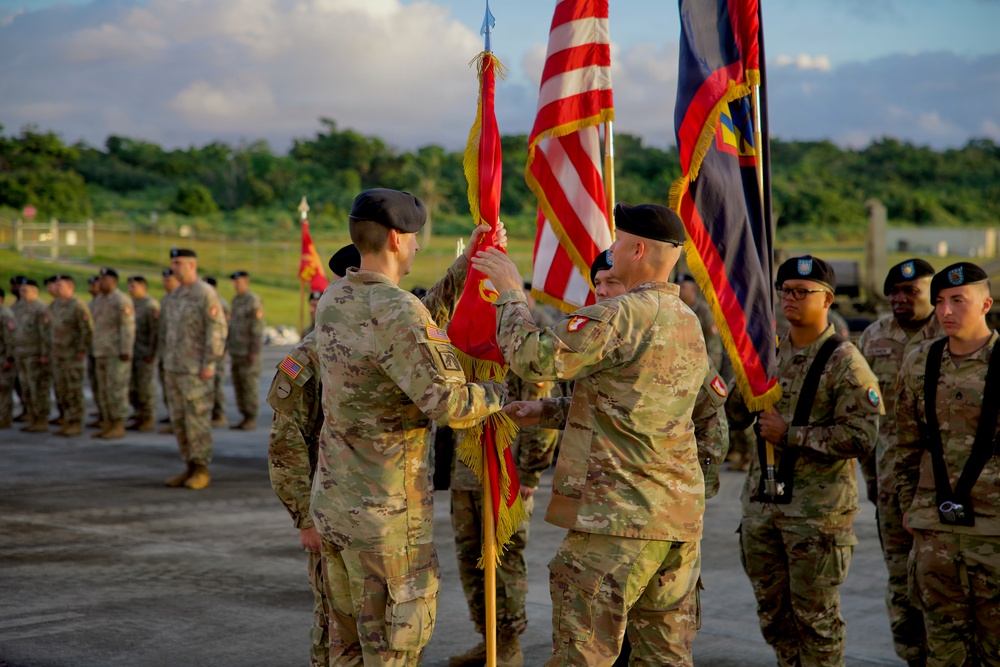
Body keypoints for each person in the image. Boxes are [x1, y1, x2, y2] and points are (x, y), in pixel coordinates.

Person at [474, 202, 710, 666]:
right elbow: (637, 409)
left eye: (618, 241)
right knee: (664, 659)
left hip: (616, 520)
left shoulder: (622, 314)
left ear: (637, 249)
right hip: (675, 518)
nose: (612, 249)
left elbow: (534, 357)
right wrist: (546, 409)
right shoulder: (685, 318)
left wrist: (509, 294)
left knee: (583, 655)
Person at [310, 188, 507, 665]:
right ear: (397, 239)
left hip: (337, 509)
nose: (419, 246)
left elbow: (412, 328)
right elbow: (448, 402)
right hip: (388, 523)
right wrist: (499, 393)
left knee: (345, 648)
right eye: (416, 238)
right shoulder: (397, 311)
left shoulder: (336, 297)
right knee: (392, 652)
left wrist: (464, 269)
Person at [726, 255, 881, 667]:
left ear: (827, 299)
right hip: (763, 510)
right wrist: (747, 374)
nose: (790, 300)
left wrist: (791, 435)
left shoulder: (845, 362)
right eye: (785, 292)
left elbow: (863, 437)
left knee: (817, 622)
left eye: (802, 292)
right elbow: (734, 417)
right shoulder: (770, 354)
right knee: (774, 617)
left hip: (817, 517)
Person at [894, 261, 999, 667]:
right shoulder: (920, 361)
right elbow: (903, 443)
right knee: (942, 648)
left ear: (986, 304)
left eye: (959, 300)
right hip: (933, 530)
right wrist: (909, 506)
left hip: (993, 532)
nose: (946, 311)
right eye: (939, 301)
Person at [856, 258, 940, 666]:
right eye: (894, 291)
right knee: (899, 578)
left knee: (946, 579)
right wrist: (870, 477)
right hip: (890, 483)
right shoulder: (872, 337)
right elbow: (863, 415)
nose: (900, 298)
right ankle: (913, 656)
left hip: (945, 485)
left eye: (911, 291)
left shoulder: (951, 334)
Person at [448, 370, 560, 667]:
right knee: (470, 559)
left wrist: (529, 472)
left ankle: (508, 644)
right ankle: (489, 640)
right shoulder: (463, 346)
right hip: (465, 473)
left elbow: (542, 412)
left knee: (505, 560)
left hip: (507, 476)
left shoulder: (521, 351)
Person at [266, 330, 329, 667]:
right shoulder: (311, 352)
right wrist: (305, 517)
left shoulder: (386, 335)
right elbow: (285, 445)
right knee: (333, 621)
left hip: (381, 516)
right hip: (329, 515)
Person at [160, 249, 228, 490]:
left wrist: (209, 363)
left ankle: (201, 468)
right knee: (179, 420)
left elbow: (217, 330)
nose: (173, 267)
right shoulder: (174, 295)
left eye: (178, 263)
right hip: (174, 368)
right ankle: (188, 465)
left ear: (191, 265)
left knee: (196, 420)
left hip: (195, 370)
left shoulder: (205, 294)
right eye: (172, 263)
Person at [90, 267, 136, 440]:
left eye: (105, 279)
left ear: (114, 282)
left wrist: (126, 350)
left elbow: (127, 328)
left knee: (116, 390)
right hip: (101, 351)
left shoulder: (121, 300)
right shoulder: (98, 300)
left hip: (116, 353)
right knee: (103, 390)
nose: (101, 282)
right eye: (100, 279)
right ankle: (107, 422)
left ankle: (118, 424)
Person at [49, 275, 94, 437]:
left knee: (73, 390)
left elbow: (86, 330)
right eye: (56, 285)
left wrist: (81, 350)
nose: (56, 288)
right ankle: (66, 420)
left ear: (70, 287)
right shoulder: (54, 305)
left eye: (60, 285)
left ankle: (75, 422)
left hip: (72, 355)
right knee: (61, 390)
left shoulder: (78, 306)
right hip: (58, 355)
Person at [13, 278, 52, 432]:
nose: (22, 293)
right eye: (21, 290)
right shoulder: (18, 307)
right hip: (21, 353)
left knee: (38, 389)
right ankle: (31, 415)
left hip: (35, 354)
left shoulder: (41, 309)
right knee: (26, 388)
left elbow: (45, 334)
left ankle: (41, 419)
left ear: (35, 291)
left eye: (26, 290)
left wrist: (44, 354)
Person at [227, 270, 264, 431]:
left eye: (239, 281)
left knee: (249, 385)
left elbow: (257, 327)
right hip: (236, 350)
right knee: (239, 385)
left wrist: (254, 350)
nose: (236, 284)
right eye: (234, 281)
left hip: (248, 351)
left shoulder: (253, 300)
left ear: (246, 281)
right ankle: (244, 415)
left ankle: (251, 416)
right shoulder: (236, 300)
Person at [127, 275, 160, 432]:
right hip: (132, 352)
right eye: (130, 286)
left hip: (145, 353)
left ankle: (148, 418)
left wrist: (152, 352)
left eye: (134, 286)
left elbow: (155, 332)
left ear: (143, 287)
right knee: (133, 388)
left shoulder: (150, 306)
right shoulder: (131, 304)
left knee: (145, 388)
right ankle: (139, 414)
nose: (131, 289)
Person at [204, 276, 230, 427]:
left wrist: (223, 348)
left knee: (218, 381)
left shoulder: (220, 303)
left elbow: (225, 328)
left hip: (218, 350)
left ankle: (219, 413)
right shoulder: (204, 301)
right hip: (208, 351)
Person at [158, 268, 180, 430]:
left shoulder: (185, 299)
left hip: (182, 354)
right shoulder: (166, 300)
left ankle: (179, 422)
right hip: (167, 351)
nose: (165, 283)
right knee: (169, 388)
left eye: (169, 280)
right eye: (164, 280)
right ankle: (173, 417)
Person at [0, 287, 16, 429]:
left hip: (4, 359)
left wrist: (9, 358)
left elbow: (10, 339)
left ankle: (5, 419)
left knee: (4, 390)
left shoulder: (5, 315)